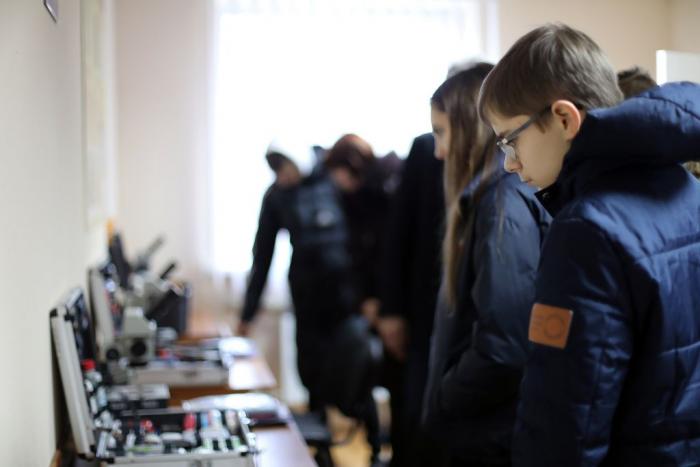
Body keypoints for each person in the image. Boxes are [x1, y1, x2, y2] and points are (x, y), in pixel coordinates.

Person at [478, 23, 700, 466]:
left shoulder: (586, 232)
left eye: (510, 140)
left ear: (564, 119)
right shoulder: (688, 190)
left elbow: (566, 424)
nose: (509, 164)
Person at [421, 63, 550, 467]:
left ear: (469, 128)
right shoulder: (487, 199)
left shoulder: (501, 204)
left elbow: (504, 344)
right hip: (482, 427)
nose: (439, 151)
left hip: (489, 433)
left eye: (441, 132)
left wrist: (445, 396)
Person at [237, 144, 380, 465]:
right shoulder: (276, 196)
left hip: (348, 304)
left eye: (285, 168)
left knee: (358, 376)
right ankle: (321, 450)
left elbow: (368, 236)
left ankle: (373, 449)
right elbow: (262, 257)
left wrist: (373, 295)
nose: (282, 177)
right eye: (276, 171)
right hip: (307, 304)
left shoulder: (334, 177)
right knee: (313, 379)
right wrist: (248, 313)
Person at [376, 132, 445, 467]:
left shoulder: (504, 153)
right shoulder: (427, 148)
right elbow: (398, 232)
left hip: (465, 319)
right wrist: (391, 310)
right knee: (413, 411)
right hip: (421, 310)